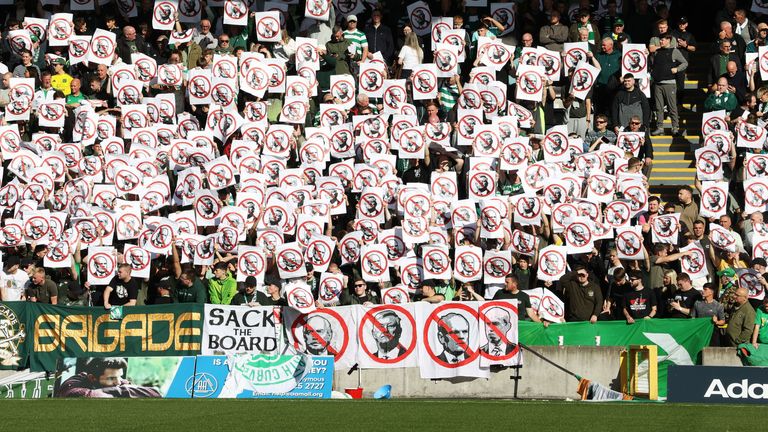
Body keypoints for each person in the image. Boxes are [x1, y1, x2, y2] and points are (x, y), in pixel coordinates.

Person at [55, 358, 161, 398]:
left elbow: (154, 393)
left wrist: (122, 389)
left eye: (120, 376)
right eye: (111, 378)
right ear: (92, 378)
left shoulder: (119, 382)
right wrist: (123, 391)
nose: (118, 382)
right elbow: (85, 396)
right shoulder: (74, 383)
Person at [650, 33, 687, 136]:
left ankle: (675, 127)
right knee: (659, 107)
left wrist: (677, 69)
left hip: (669, 83)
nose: (660, 41)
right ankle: (660, 127)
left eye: (662, 40)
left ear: (668, 40)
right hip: (657, 83)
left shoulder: (674, 51)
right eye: (660, 40)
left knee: (672, 107)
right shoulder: (657, 52)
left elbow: (685, 63)